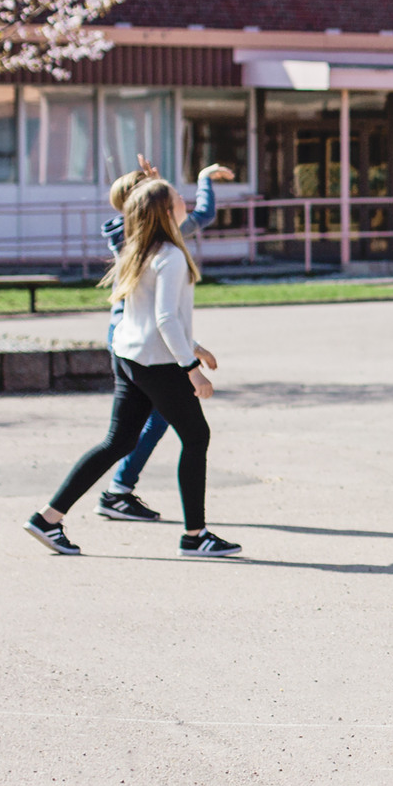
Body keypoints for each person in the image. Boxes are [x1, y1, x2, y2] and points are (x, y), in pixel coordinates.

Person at [25, 178, 242, 560]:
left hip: (128, 356)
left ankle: (48, 519)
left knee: (119, 441)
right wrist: (191, 368)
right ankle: (195, 536)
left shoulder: (140, 248)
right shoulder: (171, 255)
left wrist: (195, 346)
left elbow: (152, 317)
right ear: (166, 211)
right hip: (156, 363)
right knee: (196, 438)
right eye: (178, 199)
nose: (184, 203)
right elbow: (164, 319)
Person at [95, 156, 231, 523]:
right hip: (142, 337)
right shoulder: (158, 245)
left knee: (127, 433)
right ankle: (119, 492)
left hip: (128, 334)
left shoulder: (126, 231)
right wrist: (192, 363)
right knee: (165, 425)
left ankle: (104, 496)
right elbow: (165, 317)